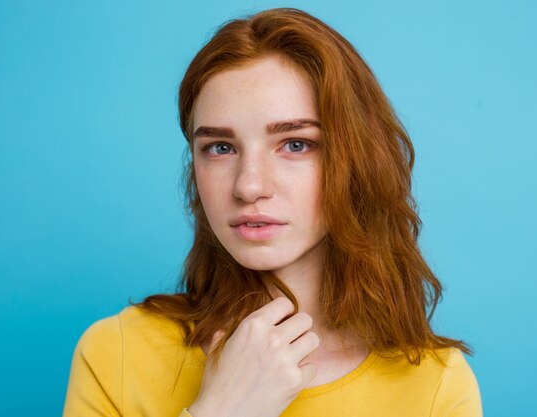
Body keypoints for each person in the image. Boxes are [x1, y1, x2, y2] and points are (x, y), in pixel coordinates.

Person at [63, 7, 482, 417]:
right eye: (220, 148)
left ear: (357, 161)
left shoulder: (434, 384)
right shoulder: (115, 353)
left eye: (295, 144)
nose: (249, 186)